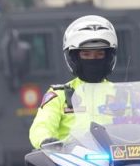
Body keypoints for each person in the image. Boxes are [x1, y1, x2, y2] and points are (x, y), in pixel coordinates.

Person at [29, 15, 119, 149]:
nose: (93, 59)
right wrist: (45, 141)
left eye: (99, 54)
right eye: (86, 54)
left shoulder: (123, 94)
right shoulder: (60, 95)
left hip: (117, 163)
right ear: (74, 58)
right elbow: (42, 125)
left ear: (109, 57)